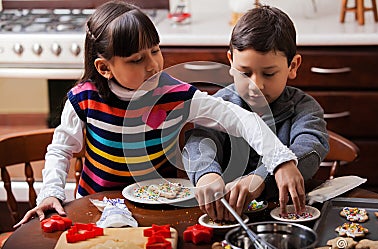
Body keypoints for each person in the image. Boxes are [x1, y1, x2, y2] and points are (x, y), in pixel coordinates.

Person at [14, 1, 304, 227]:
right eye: (137, 59)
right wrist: (50, 193)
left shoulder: (175, 96)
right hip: (94, 208)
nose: (153, 65)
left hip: (156, 211)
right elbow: (61, 149)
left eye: (155, 50)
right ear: (105, 68)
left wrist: (280, 160)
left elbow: (241, 118)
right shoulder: (83, 99)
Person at [183, 5, 329, 222]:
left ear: (293, 65)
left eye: (268, 73)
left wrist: (260, 178)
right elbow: (200, 141)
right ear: (231, 62)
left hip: (285, 219)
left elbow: (309, 149)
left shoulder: (305, 109)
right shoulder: (221, 104)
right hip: (227, 217)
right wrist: (206, 174)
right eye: (244, 73)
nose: (255, 85)